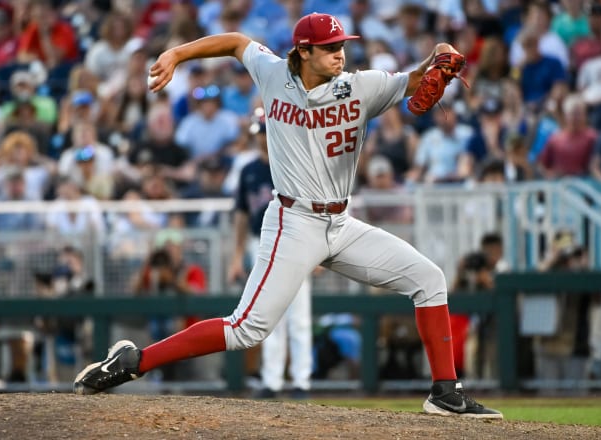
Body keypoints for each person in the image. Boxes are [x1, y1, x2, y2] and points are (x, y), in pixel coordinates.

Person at [74, 12, 502, 419]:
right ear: (303, 51)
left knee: (429, 280)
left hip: (341, 222)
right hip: (293, 222)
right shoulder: (274, 73)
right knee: (246, 330)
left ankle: (446, 393)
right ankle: (134, 361)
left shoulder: (361, 86)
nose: (340, 53)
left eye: (342, 45)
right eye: (330, 47)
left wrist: (439, 56)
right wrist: (177, 54)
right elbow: (236, 42)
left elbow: (415, 82)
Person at [227, 115, 313, 399]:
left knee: (298, 316)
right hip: (261, 243)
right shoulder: (248, 169)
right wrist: (237, 255)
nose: (262, 137)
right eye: (259, 132)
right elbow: (241, 214)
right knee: (269, 314)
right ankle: (272, 380)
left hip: (295, 243)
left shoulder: (291, 162)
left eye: (265, 131)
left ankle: (301, 381)